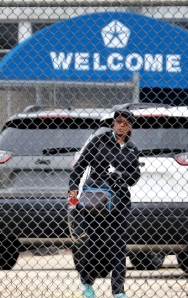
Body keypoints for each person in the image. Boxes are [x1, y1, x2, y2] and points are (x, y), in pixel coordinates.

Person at [68, 109, 141, 298]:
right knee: (96, 245)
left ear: (130, 126)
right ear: (113, 124)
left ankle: (118, 291)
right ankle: (87, 283)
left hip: (120, 203)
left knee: (119, 247)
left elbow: (134, 176)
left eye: (125, 122)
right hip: (97, 203)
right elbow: (80, 166)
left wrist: (121, 176)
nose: (121, 125)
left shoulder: (132, 149)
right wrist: (73, 188)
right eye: (118, 121)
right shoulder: (99, 141)